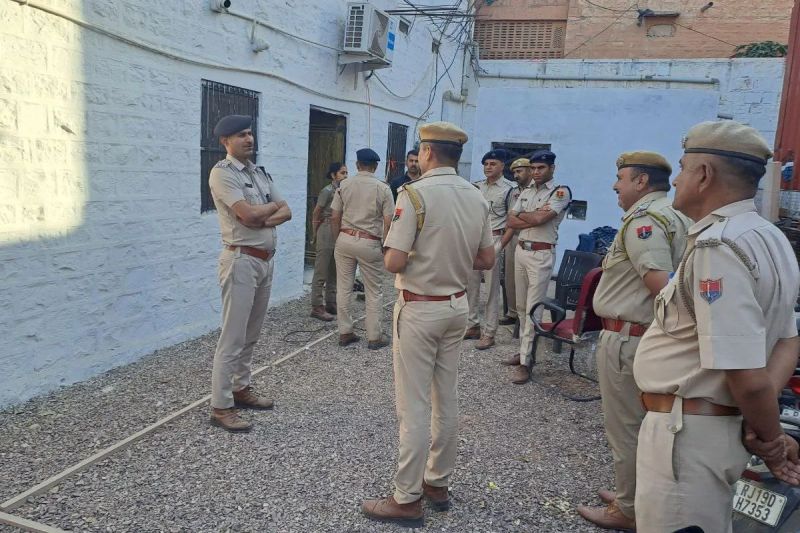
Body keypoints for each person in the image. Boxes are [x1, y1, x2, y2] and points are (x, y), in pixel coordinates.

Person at [633, 121, 800, 532]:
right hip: (716, 427)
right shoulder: (770, 236)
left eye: (682, 168)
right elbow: (787, 341)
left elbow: (746, 374)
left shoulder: (718, 246)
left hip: (686, 434)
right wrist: (763, 426)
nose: (676, 180)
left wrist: (772, 442)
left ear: (704, 175)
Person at [361, 121, 495, 527]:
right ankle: (437, 482)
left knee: (414, 405)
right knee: (446, 397)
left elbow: (394, 261)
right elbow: (486, 259)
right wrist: (450, 257)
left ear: (428, 152)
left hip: (420, 307)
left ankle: (406, 498)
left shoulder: (414, 194)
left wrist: (416, 249)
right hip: (456, 305)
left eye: (419, 150)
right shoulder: (476, 196)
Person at [576, 151, 691, 530]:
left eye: (621, 179)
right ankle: (636, 494)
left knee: (626, 428)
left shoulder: (646, 221)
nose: (615, 186)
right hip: (646, 336)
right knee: (645, 426)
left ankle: (628, 510)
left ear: (641, 181)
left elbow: (661, 283)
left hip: (630, 338)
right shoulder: (675, 214)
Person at [207, 114, 292, 432]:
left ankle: (240, 388)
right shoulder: (222, 173)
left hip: (264, 261)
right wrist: (267, 210)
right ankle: (221, 406)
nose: (248, 139)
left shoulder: (258, 172)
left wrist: (261, 215)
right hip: (241, 261)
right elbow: (246, 214)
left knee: (251, 333)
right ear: (225, 141)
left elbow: (287, 210)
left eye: (249, 133)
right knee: (233, 336)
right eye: (241, 135)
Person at [503, 150, 571, 384]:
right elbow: (510, 220)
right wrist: (531, 216)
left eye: (541, 168)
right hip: (521, 249)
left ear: (552, 168)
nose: (535, 172)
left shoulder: (560, 192)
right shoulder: (527, 191)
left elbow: (541, 220)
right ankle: (524, 351)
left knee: (534, 309)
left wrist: (524, 216)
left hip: (541, 253)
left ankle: (527, 362)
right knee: (522, 306)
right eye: (532, 168)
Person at [331, 148, 394, 349]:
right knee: (374, 291)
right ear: (375, 167)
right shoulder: (383, 188)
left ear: (357, 165)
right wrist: (385, 244)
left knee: (343, 287)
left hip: (345, 238)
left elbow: (334, 216)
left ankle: (345, 332)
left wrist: (337, 239)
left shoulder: (343, 185)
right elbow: (389, 220)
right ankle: (374, 337)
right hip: (370, 241)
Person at [464, 150, 513, 349]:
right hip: (474, 240)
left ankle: (489, 332)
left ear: (502, 166)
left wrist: (500, 246)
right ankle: (472, 325)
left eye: (493, 163)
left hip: (494, 238)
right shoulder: (476, 187)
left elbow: (512, 222)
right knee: (471, 285)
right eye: (486, 164)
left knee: (492, 289)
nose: (488, 167)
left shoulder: (509, 189)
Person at [497, 158, 533, 330]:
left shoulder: (536, 190)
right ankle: (513, 312)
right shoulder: (513, 192)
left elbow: (537, 219)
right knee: (510, 277)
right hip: (513, 238)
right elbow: (510, 218)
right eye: (514, 172)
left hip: (530, 237)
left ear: (530, 171)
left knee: (528, 280)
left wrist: (520, 218)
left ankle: (526, 315)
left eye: (520, 171)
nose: (516, 175)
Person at [309, 162, 348, 322]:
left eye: (346, 173)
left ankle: (331, 302)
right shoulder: (327, 191)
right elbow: (316, 212)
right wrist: (315, 234)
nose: (345, 176)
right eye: (342, 173)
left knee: (334, 268)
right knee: (321, 269)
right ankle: (317, 306)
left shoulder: (344, 191)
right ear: (333, 175)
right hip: (326, 229)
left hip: (339, 229)